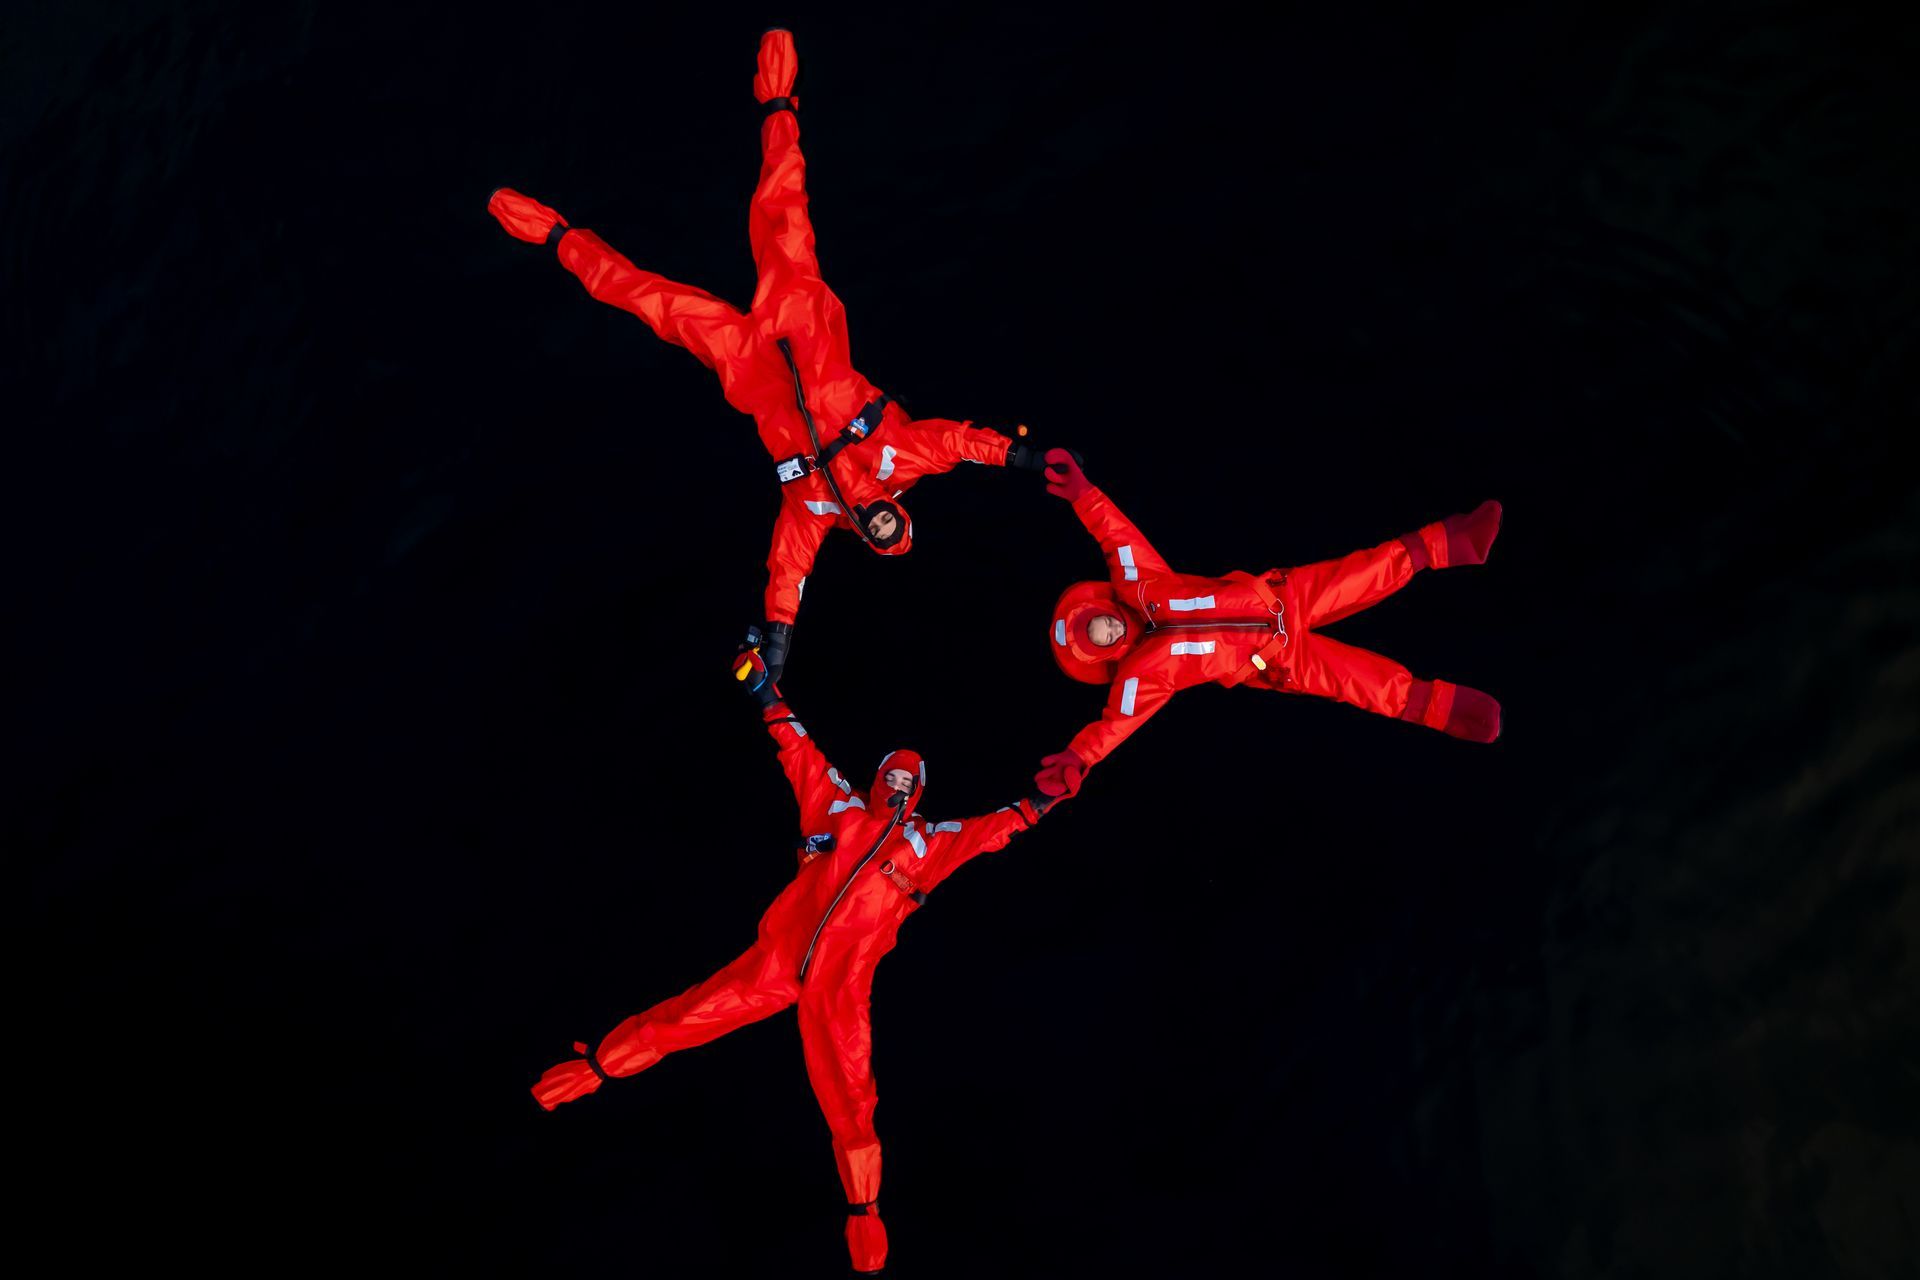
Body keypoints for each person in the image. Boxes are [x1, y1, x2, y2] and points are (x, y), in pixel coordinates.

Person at [488, 29, 1069, 682]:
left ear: (865, 538)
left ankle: (558, 234)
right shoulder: (905, 456)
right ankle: (778, 100)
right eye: (892, 527)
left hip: (752, 375)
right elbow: (963, 443)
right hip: (811, 336)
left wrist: (779, 640)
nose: (881, 528)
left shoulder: (815, 513)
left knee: (651, 303)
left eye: (877, 538)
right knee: (784, 214)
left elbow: (787, 571)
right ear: (899, 513)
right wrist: (1023, 455)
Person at [529, 645, 1060, 1275]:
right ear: (879, 776)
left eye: (907, 781)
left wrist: (1040, 802)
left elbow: (990, 832)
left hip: (841, 987)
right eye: (891, 774)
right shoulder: (838, 809)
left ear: (918, 792)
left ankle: (864, 1213)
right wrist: (763, 692)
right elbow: (800, 755)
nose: (896, 784)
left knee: (853, 1098)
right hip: (776, 963)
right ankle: (596, 1068)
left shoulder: (928, 844)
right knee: (687, 1013)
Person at [1032, 449, 1503, 799]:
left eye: (1102, 623)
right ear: (1106, 655)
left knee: (1370, 568)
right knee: (1368, 686)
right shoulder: (1138, 678)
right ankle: (1452, 711)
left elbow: (1116, 537)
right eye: (1103, 639)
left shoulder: (1141, 585)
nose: (1111, 630)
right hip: (1278, 662)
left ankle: (1458, 540)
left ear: (1102, 608)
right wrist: (1080, 757)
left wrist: (1083, 494)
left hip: (1282, 598)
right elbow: (1113, 725)